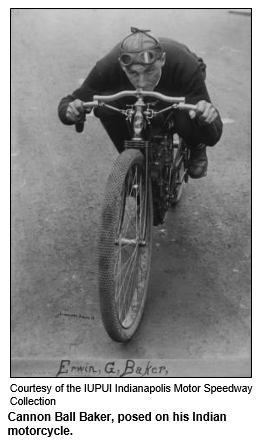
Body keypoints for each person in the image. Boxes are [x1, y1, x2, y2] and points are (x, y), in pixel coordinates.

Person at [58, 27, 223, 178]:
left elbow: (214, 135)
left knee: (187, 116)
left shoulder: (185, 65)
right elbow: (71, 101)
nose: (142, 83)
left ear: (162, 60)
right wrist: (71, 112)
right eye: (133, 73)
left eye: (150, 70)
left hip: (176, 85)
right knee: (105, 107)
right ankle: (131, 160)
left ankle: (196, 146)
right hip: (134, 97)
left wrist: (205, 119)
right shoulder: (107, 66)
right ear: (122, 66)